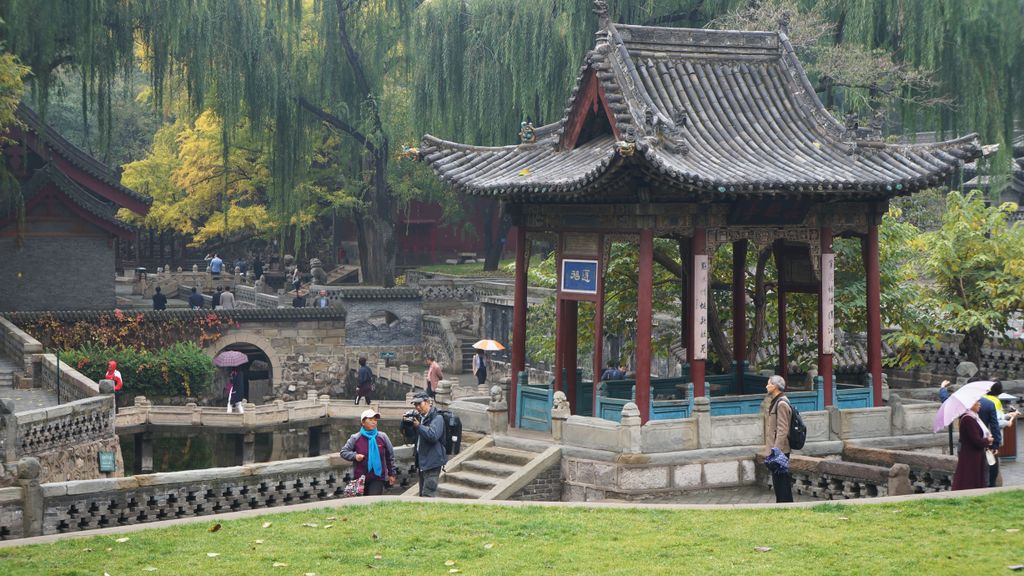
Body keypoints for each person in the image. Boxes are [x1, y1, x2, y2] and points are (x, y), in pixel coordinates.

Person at [341, 409, 397, 496]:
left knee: (373, 500)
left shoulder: (382, 437)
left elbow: (390, 456)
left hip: (377, 477)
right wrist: (355, 456)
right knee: (361, 504)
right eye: (370, 420)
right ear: (363, 422)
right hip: (360, 477)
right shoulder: (356, 438)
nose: (373, 422)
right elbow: (344, 452)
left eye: (375, 420)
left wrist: (392, 474)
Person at [407, 392, 447, 497]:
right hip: (423, 462)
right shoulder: (420, 418)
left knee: (428, 494)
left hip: (433, 462)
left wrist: (419, 426)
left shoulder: (438, 418)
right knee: (422, 494)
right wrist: (405, 423)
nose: (417, 407)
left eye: (420, 404)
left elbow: (432, 436)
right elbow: (410, 436)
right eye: (415, 405)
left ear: (428, 402)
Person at [764, 374, 794, 503]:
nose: (766, 386)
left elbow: (783, 429)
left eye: (769, 383)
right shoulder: (777, 400)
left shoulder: (781, 403)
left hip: (780, 450)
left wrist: (776, 449)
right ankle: (782, 503)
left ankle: (785, 504)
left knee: (781, 480)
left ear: (775, 386)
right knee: (778, 480)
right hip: (778, 449)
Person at [952, 398, 992, 490]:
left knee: (974, 477)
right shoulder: (968, 419)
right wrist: (988, 440)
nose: (980, 404)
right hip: (971, 454)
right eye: (977, 402)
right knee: (969, 478)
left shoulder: (973, 417)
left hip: (974, 453)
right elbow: (976, 440)